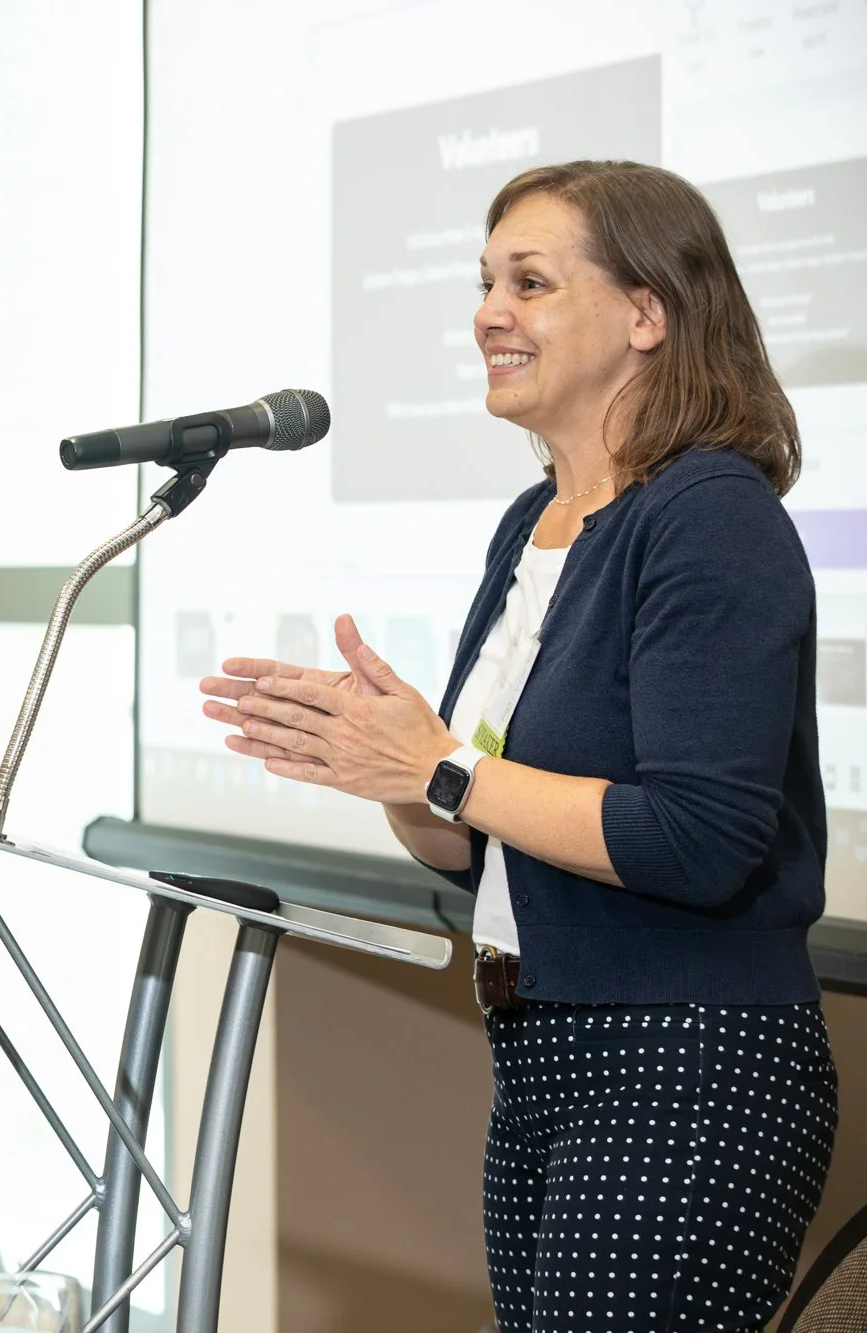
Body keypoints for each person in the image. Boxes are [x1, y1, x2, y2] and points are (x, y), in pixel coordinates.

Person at [201, 161, 837, 1329]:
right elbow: (467, 833)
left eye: (529, 282)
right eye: (483, 282)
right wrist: (384, 769)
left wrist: (437, 765)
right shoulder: (530, 523)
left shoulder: (708, 517)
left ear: (647, 314)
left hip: (683, 1063)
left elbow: (698, 839)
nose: (487, 312)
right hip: (540, 1050)